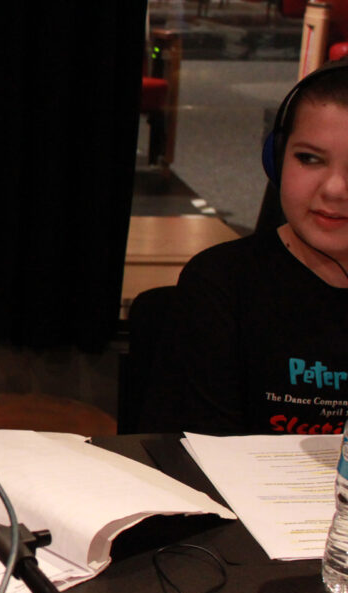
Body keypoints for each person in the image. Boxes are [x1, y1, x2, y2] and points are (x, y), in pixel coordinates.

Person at [142, 58, 348, 436]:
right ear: (277, 159)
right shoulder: (221, 284)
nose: (333, 189)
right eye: (309, 158)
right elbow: (198, 455)